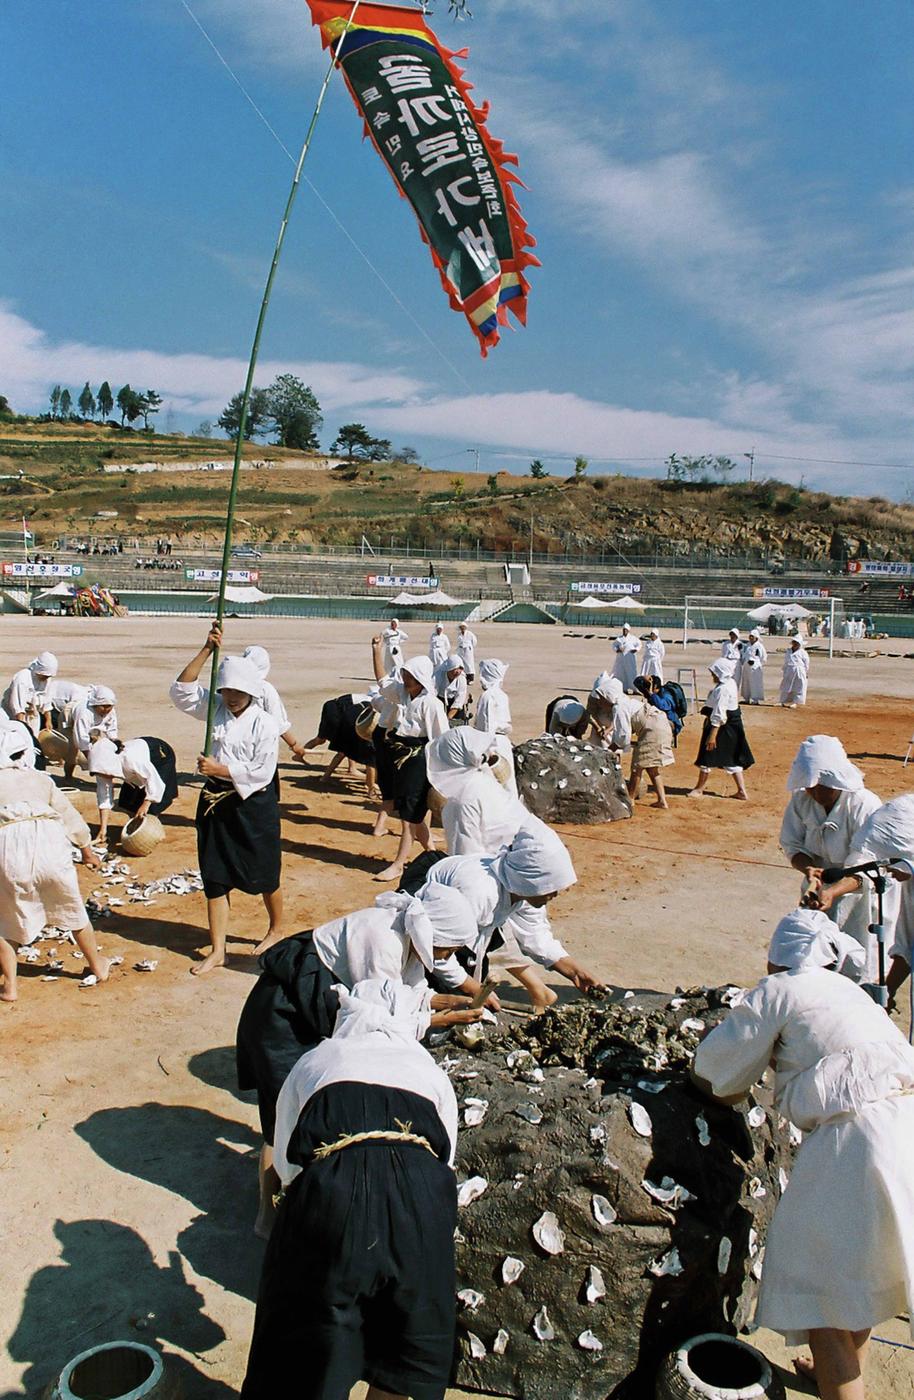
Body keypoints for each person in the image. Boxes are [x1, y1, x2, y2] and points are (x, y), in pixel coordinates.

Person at [692, 909, 914, 1400]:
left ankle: (840, 1378)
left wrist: (716, 1063)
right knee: (863, 1268)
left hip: (858, 1140)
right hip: (908, 1125)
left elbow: (716, 1076)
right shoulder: (850, 992)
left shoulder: (779, 990)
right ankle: (837, 1370)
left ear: (778, 958)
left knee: (822, 1295)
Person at [242, 979, 460, 1400]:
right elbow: (445, 1163)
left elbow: (287, 1165)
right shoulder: (428, 1070)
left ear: (347, 1017)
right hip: (422, 1196)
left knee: (310, 1337)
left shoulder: (316, 1059)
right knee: (405, 1345)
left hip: (332, 1192)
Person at [236, 884, 484, 1236]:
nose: (446, 955)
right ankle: (268, 1213)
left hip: (319, 1004)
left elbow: (404, 994)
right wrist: (442, 1020)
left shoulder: (410, 932)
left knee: (307, 1109)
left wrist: (446, 1002)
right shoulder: (383, 940)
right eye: (449, 947)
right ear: (436, 931)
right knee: (281, 1120)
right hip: (285, 1013)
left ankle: (304, 1197)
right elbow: (377, 1013)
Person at [170, 625, 282, 974]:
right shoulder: (215, 708)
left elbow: (262, 772)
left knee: (265, 873)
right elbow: (182, 691)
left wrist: (220, 769)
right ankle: (218, 949)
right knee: (215, 875)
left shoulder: (264, 723)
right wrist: (206, 649)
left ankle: (277, 928)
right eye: (227, 690)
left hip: (252, 805)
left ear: (251, 691)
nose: (231, 697)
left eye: (238, 691)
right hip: (215, 804)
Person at [426, 727, 557, 1011]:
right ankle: (536, 989)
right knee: (503, 937)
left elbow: (466, 856)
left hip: (493, 879)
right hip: (514, 870)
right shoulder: (485, 782)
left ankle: (485, 993)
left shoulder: (462, 799)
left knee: (486, 937)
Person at [421, 818, 604, 995]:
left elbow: (535, 934)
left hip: (460, 939)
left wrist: (575, 972)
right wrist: (472, 988)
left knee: (470, 983)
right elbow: (435, 947)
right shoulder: (480, 892)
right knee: (438, 989)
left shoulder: (524, 890)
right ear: (530, 880)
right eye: (549, 888)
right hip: (433, 930)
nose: (555, 894)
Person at [0, 725, 109, 1002]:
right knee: (73, 910)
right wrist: (87, 851)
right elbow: (69, 817)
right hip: (50, 848)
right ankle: (97, 965)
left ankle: (10, 986)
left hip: (10, 853)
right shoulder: (43, 780)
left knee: (5, 920)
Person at [780, 736, 883, 964]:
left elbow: (868, 865)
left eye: (821, 785)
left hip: (856, 896)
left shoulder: (863, 805)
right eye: (810, 785)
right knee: (813, 957)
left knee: (854, 958)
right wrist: (810, 871)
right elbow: (792, 843)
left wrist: (834, 891)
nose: (814, 792)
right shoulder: (801, 801)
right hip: (815, 890)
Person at [373, 656, 448, 884]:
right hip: (401, 756)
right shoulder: (402, 694)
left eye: (410, 675)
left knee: (410, 815)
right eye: (404, 674)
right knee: (411, 813)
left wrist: (439, 775)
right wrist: (376, 650)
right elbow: (383, 682)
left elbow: (440, 740)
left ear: (421, 679)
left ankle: (398, 865)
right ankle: (433, 853)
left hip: (419, 759)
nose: (405, 678)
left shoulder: (432, 704)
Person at [689, 659, 753, 800]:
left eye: (714, 673)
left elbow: (720, 714)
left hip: (722, 726)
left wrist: (712, 734)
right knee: (731, 758)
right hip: (730, 725)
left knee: (707, 756)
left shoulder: (723, 689)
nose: (713, 676)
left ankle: (699, 789)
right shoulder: (729, 683)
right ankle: (741, 791)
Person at [88, 735, 179, 828]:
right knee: (128, 801)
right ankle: (135, 823)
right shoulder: (101, 769)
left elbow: (154, 781)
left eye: (103, 773)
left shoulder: (132, 760)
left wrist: (145, 804)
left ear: (109, 765)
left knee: (152, 807)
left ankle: (149, 827)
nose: (104, 777)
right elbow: (104, 797)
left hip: (159, 755)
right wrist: (103, 829)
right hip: (136, 764)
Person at [300, 690, 378, 794]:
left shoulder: (375, 703)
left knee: (344, 751)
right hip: (352, 720)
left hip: (352, 720)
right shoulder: (377, 706)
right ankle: (370, 788)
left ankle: (326, 777)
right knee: (370, 759)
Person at [242, 646, 308, 761]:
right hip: (260, 745)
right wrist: (294, 745)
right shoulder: (265, 689)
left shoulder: (234, 685)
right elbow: (278, 723)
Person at [474, 658, 516, 793]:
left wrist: (487, 751)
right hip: (503, 743)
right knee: (508, 784)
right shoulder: (502, 695)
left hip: (492, 745)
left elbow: (487, 725)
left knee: (492, 786)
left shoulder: (487, 696)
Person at [67, 686, 119, 791]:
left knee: (101, 749)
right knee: (73, 751)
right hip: (71, 721)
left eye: (109, 706)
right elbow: (81, 738)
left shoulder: (110, 711)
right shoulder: (84, 713)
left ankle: (105, 779)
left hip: (93, 727)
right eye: (103, 707)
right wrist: (92, 760)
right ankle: (68, 778)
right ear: (95, 704)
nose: (107, 709)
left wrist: (115, 747)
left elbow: (111, 730)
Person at [2, 652, 59, 731]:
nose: (46, 678)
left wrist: (48, 721)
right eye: (45, 676)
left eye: (48, 676)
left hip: (32, 715)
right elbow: (18, 708)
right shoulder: (22, 678)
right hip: (12, 715)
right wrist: (23, 728)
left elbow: (47, 702)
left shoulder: (47, 680)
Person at [435, 654, 469, 723]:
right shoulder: (438, 675)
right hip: (439, 700)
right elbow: (433, 693)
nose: (458, 671)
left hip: (455, 704)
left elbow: (459, 700)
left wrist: (447, 719)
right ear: (449, 668)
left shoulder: (462, 679)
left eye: (461, 668)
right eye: (455, 668)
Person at [611, 623, 641, 692]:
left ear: (628, 630)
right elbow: (614, 645)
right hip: (621, 659)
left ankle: (634, 689)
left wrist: (636, 649)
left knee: (632, 673)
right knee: (621, 674)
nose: (624, 631)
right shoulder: (619, 639)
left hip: (630, 659)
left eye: (626, 630)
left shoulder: (633, 638)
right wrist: (617, 650)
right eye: (623, 630)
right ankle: (624, 689)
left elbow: (639, 644)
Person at [780, 637, 809, 707]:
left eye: (797, 643)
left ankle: (796, 702)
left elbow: (806, 663)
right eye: (794, 642)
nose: (795, 644)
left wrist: (805, 672)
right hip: (789, 669)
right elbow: (786, 661)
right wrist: (785, 670)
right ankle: (783, 701)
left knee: (798, 686)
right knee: (786, 685)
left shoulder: (803, 652)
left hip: (799, 670)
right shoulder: (788, 651)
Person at [740, 629, 767, 704]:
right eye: (750, 636)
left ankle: (755, 699)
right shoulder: (747, 645)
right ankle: (746, 698)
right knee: (746, 682)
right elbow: (744, 654)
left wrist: (756, 663)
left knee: (755, 683)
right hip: (746, 666)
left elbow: (763, 657)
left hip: (755, 667)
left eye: (752, 636)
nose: (751, 638)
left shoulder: (759, 646)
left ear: (756, 637)